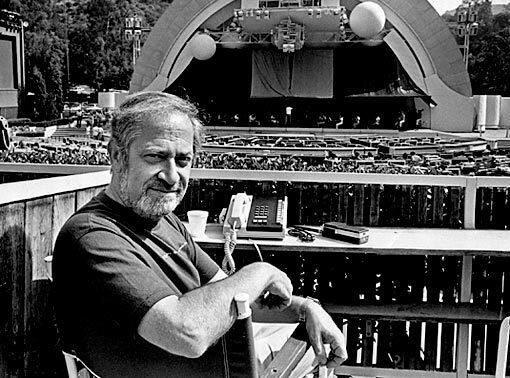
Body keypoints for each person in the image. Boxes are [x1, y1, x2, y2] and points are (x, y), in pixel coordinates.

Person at [53, 92, 346, 377]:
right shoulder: (92, 236)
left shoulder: (166, 222)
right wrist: (262, 271)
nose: (171, 177)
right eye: (156, 157)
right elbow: (188, 333)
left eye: (182, 161)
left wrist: (306, 309)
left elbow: (239, 302)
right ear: (117, 157)